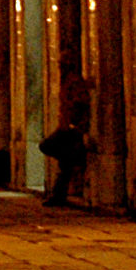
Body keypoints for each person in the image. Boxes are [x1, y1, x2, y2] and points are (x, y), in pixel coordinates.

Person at [41, 79, 94, 208]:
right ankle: (58, 194)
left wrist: (74, 128)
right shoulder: (71, 99)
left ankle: (58, 195)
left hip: (72, 134)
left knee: (65, 166)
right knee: (63, 164)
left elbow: (82, 120)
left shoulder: (81, 102)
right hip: (67, 133)